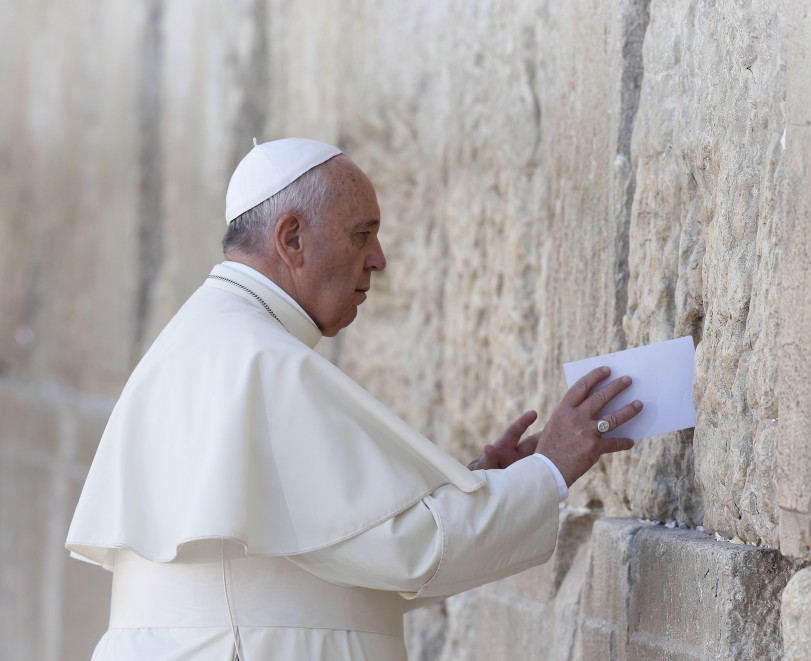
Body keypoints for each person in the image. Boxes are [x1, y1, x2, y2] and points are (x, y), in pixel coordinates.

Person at [66, 138, 643, 661]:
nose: (378, 259)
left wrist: (480, 488)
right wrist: (550, 469)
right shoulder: (264, 363)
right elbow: (406, 550)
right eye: (360, 234)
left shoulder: (209, 340)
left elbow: (339, 558)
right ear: (291, 238)